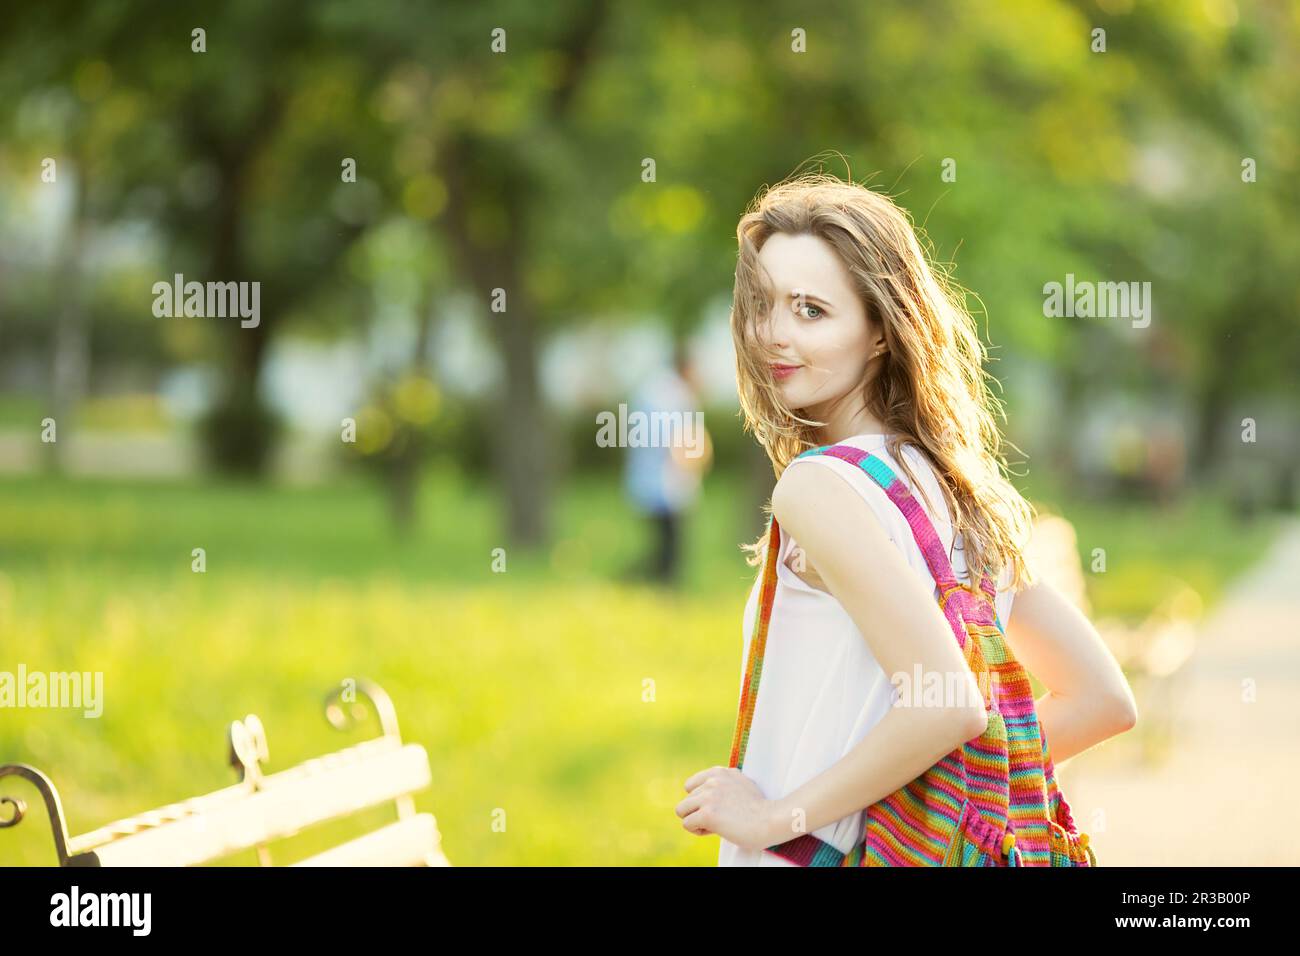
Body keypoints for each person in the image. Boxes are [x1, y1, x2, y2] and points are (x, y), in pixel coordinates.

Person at [674, 173, 1138, 865]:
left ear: (879, 333)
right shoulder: (959, 489)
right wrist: (925, 808)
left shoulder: (818, 487)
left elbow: (949, 701)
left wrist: (775, 816)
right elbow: (1101, 700)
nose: (773, 334)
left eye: (811, 310)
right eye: (763, 304)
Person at [622, 342, 712, 586]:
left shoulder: (654, 390)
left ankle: (642, 581)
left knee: (663, 541)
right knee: (670, 543)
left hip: (650, 478)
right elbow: (678, 441)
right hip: (667, 481)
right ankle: (655, 584)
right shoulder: (676, 396)